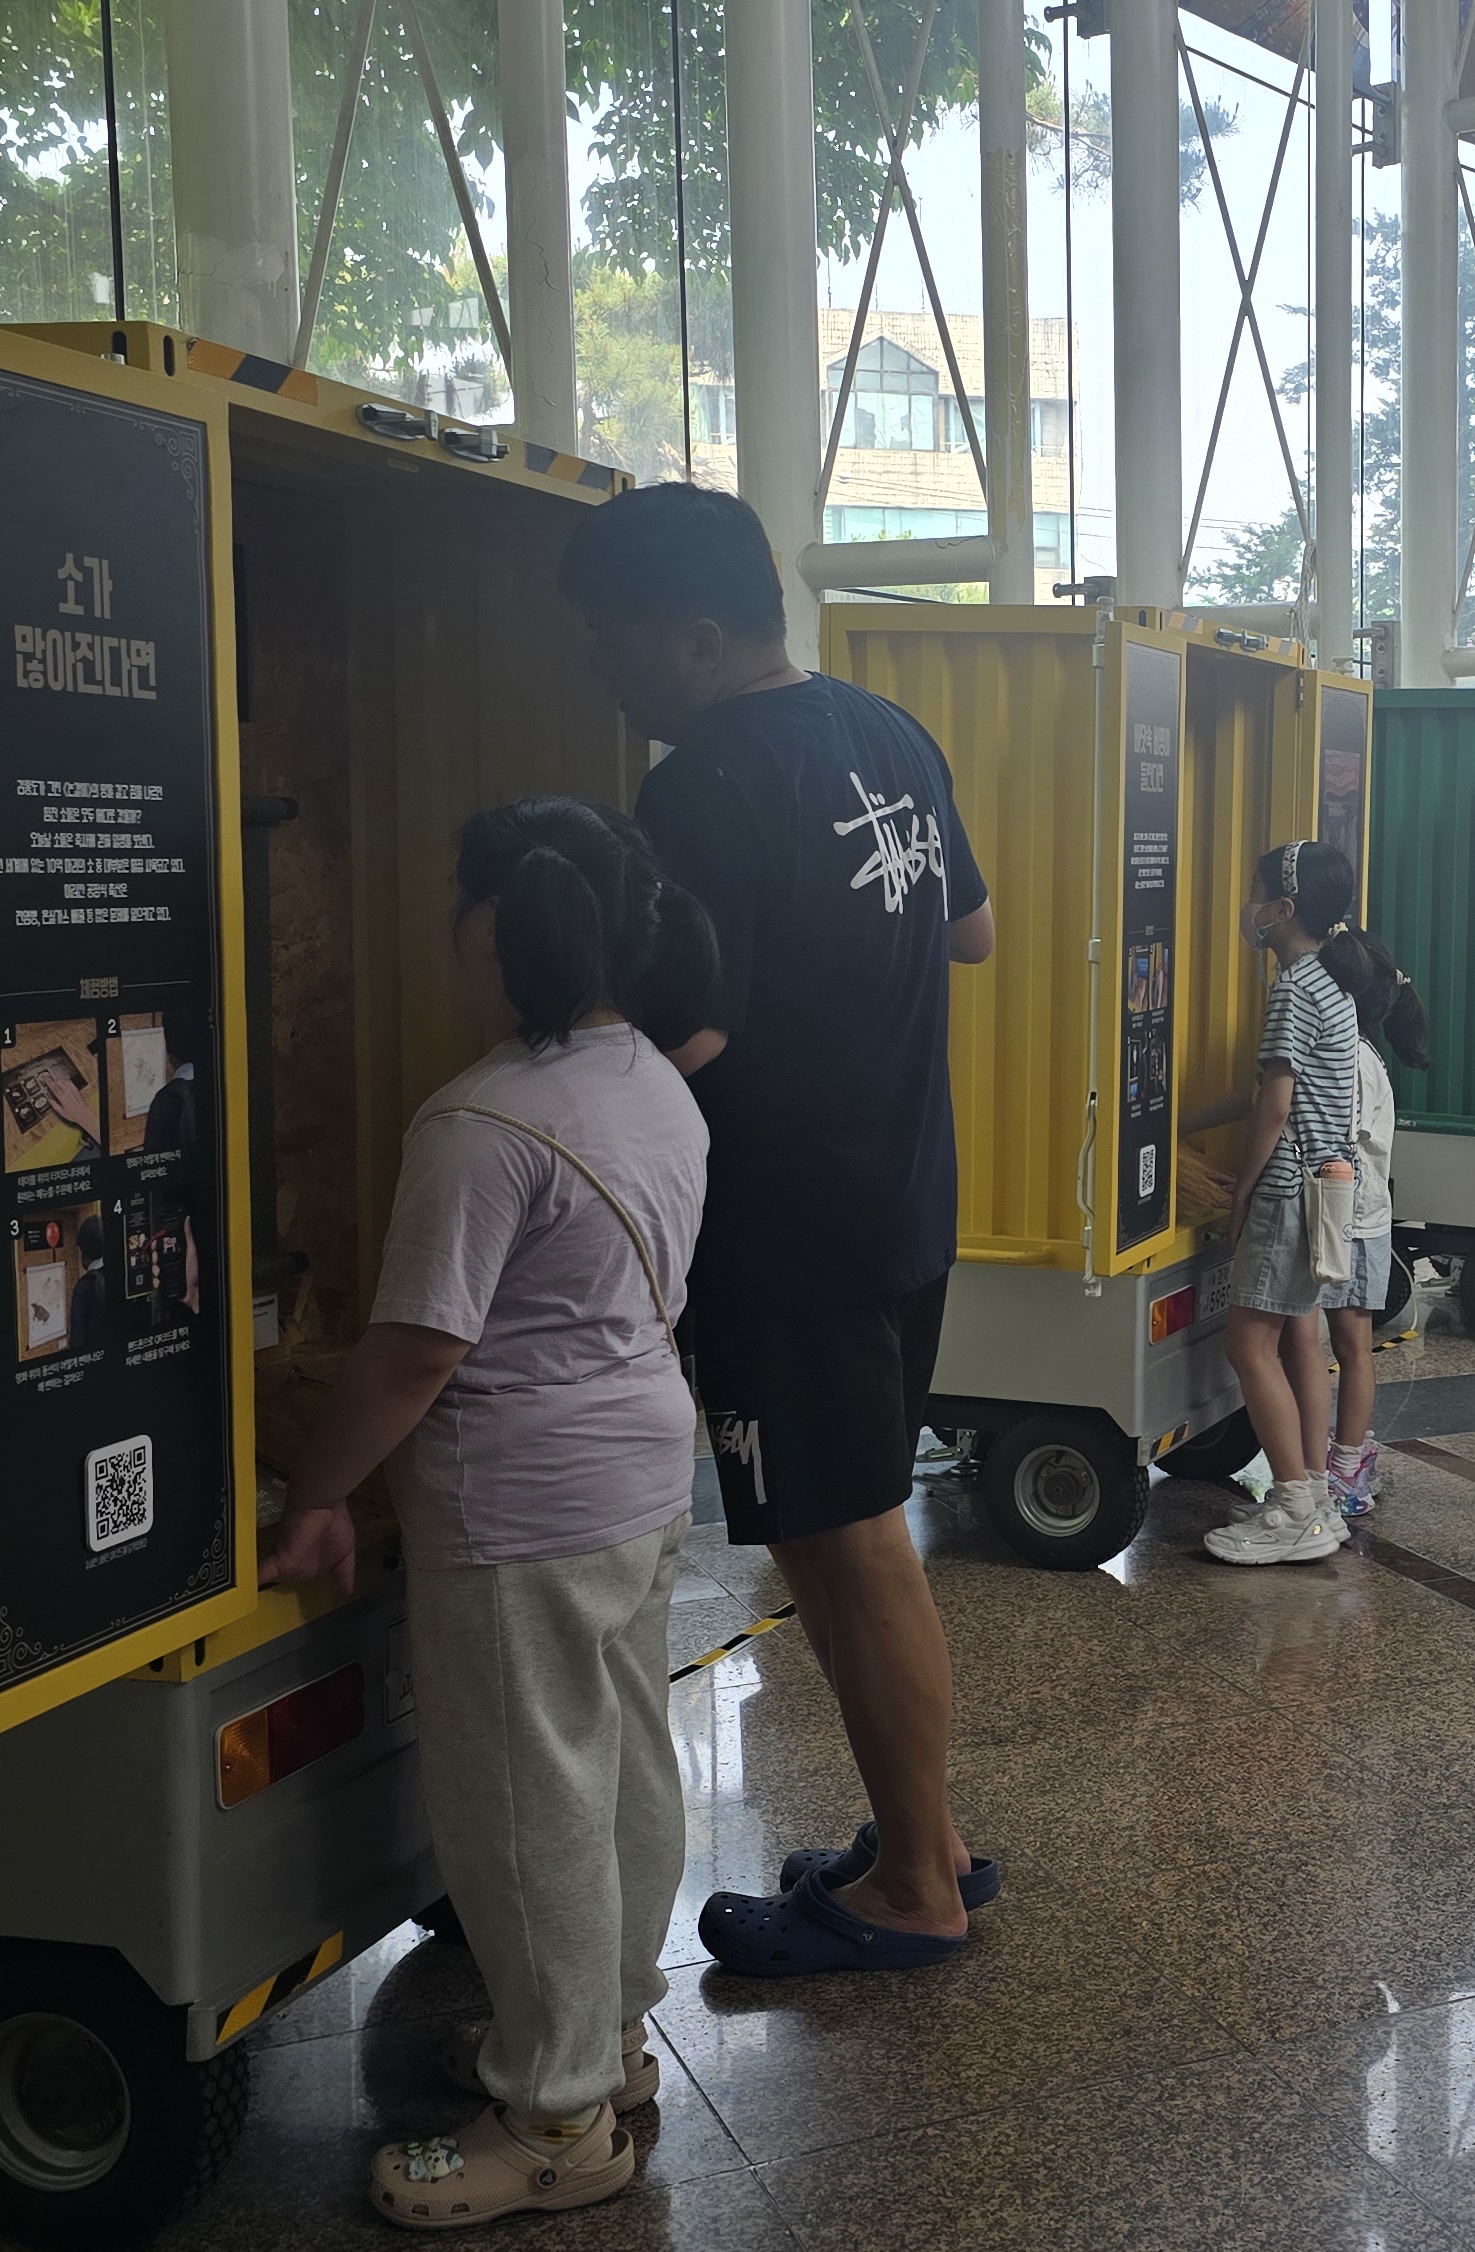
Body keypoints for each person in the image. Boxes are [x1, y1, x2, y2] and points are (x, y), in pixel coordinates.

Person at [262, 799, 716, 2227]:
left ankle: (556, 2120)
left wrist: (316, 1491)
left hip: (523, 1507)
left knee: (528, 1810)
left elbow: (415, 1349)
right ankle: (603, 2040)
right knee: (621, 1767)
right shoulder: (654, 1078)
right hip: (641, 1474)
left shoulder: (479, 1121)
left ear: (491, 927)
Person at [563, 484, 994, 1972]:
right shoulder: (890, 733)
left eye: (613, 643)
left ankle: (917, 1887)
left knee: (852, 1540)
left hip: (787, 1225)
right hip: (903, 1194)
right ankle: (925, 1836)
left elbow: (688, 1031)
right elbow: (971, 929)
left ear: (696, 638)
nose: (603, 676)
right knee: (834, 1526)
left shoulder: (700, 786)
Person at [1193, 841, 1387, 1566]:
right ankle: (1316, 1503)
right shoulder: (1334, 983)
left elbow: (1275, 1107)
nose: (1249, 907)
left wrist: (1241, 1193)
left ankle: (1295, 1508)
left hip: (1287, 1188)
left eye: (1256, 894)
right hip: (1325, 1187)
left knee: (1248, 1343)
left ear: (1284, 909)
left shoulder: (1295, 989)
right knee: (1287, 1339)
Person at [1324, 953, 1429, 1515]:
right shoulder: (1365, 1053)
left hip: (1355, 1223)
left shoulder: (1355, 1060)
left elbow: (1338, 1139)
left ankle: (1347, 1469)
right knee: (1353, 1346)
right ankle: (1353, 1453)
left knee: (1352, 1348)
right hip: (1360, 1220)